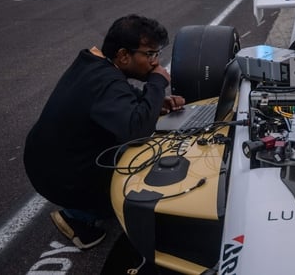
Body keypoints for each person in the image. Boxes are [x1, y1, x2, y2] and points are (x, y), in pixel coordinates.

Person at [24, 14, 185, 250]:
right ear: (123, 55)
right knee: (143, 161)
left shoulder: (92, 62)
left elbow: (118, 95)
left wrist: (152, 102)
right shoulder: (107, 82)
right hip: (61, 178)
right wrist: (156, 86)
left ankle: (86, 204)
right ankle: (77, 216)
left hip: (45, 162)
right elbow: (137, 130)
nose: (155, 62)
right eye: (149, 54)